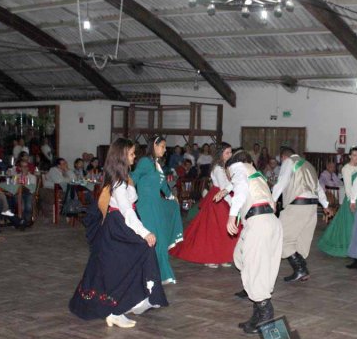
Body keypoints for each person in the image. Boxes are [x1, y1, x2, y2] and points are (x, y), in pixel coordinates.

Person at [69, 138, 168, 328]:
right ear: (122, 156)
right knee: (128, 262)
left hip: (121, 225)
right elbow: (127, 211)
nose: (134, 156)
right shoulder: (118, 183)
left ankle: (135, 301)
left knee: (129, 262)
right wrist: (144, 232)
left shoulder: (124, 178)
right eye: (131, 153)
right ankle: (118, 310)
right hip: (118, 228)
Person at [218, 150, 282, 334]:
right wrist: (226, 190)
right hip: (270, 222)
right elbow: (237, 184)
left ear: (230, 167)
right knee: (241, 258)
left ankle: (265, 317)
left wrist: (232, 216)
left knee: (255, 269)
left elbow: (241, 188)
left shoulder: (237, 169)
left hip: (258, 224)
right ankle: (258, 310)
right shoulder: (255, 173)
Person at [171, 143, 239, 268]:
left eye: (230, 152)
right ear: (220, 154)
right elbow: (223, 189)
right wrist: (232, 203)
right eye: (227, 153)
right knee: (214, 230)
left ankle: (222, 256)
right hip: (219, 200)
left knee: (222, 230)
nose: (230, 155)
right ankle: (210, 257)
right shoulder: (218, 169)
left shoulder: (224, 167)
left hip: (222, 198)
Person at [272, 147, 331, 282]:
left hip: (298, 205)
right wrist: (325, 205)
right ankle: (301, 269)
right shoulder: (309, 165)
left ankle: (300, 269)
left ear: (284, 157)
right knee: (301, 240)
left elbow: (282, 181)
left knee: (281, 238)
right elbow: (318, 188)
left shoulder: (289, 162)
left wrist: (273, 200)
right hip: (312, 206)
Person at [131, 136, 184, 285]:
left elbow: (163, 185)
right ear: (154, 145)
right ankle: (148, 274)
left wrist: (171, 197)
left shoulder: (156, 164)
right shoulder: (145, 162)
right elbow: (134, 177)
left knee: (160, 239)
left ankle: (162, 274)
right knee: (151, 239)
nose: (165, 149)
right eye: (162, 146)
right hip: (146, 207)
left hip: (156, 205)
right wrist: (125, 193)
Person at [13, 159, 37, 224]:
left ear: (28, 167)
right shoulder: (16, 176)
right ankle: (22, 220)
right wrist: (18, 180)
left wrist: (23, 181)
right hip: (18, 194)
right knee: (22, 206)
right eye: (23, 166)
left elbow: (32, 188)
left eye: (26, 166)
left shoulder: (32, 177)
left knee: (28, 206)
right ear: (20, 168)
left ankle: (27, 220)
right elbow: (13, 187)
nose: (25, 168)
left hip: (29, 193)